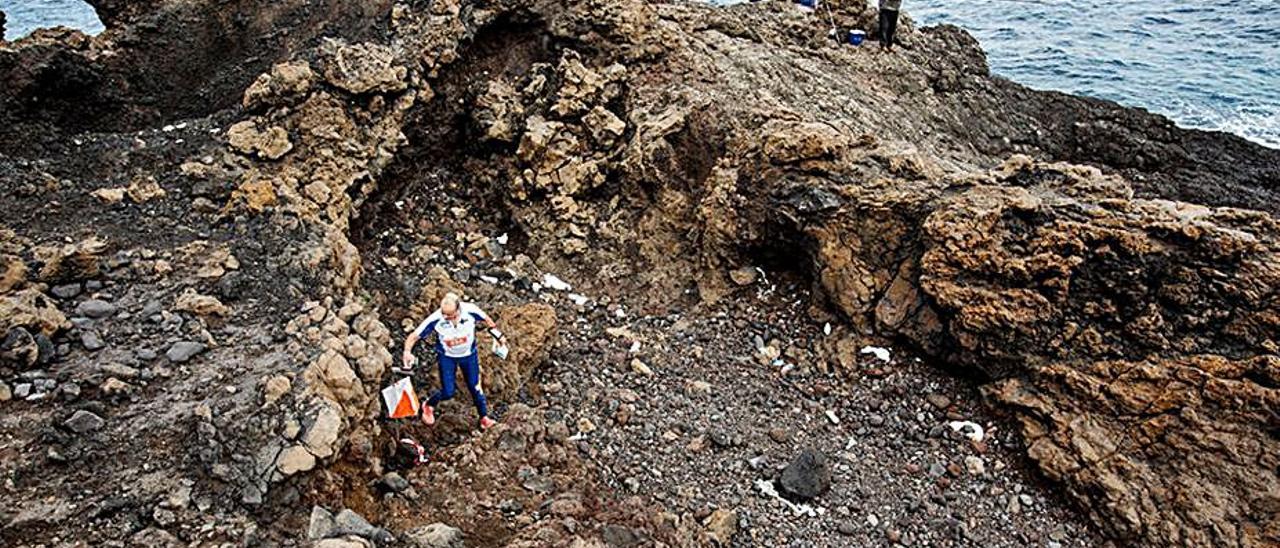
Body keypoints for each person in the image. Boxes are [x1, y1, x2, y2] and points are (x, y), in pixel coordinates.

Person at [401, 292, 508, 430]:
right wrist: (407, 352)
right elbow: (413, 336)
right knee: (448, 391)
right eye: (445, 315)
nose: (448, 318)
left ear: (459, 309)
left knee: (475, 387)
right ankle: (428, 404)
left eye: (451, 315)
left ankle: (484, 418)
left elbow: (488, 321)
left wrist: (499, 337)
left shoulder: (470, 310)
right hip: (447, 357)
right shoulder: (436, 319)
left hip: (469, 355)